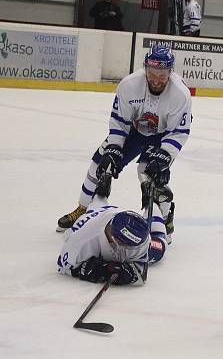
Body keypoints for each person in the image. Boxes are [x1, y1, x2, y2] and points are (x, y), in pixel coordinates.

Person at [56, 44, 192, 244]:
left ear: (170, 73)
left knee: (150, 174)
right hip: (134, 132)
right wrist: (114, 148)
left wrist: (165, 155)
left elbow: (179, 131)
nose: (156, 79)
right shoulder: (129, 85)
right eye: (152, 73)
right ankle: (83, 209)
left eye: (162, 74)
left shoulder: (180, 94)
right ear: (145, 68)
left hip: (161, 137)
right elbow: (120, 122)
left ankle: (163, 219)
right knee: (101, 163)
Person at [57, 196, 170, 285]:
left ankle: (154, 202)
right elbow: (63, 266)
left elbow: (141, 272)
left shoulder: (138, 237)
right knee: (96, 203)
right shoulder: (82, 242)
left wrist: (130, 274)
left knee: (161, 247)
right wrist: (88, 270)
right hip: (91, 221)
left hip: (110, 212)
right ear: (118, 240)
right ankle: (100, 191)